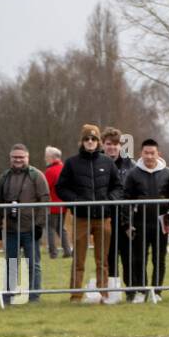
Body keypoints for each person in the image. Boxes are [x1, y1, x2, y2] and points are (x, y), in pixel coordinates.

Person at [56, 124, 123, 298]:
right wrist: (75, 201)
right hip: (81, 218)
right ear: (82, 141)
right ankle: (76, 295)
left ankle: (104, 293)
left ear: (99, 142)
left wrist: (110, 201)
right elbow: (61, 188)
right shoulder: (71, 163)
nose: (90, 142)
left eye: (94, 139)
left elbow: (118, 186)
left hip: (103, 218)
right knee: (78, 259)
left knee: (103, 260)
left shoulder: (107, 162)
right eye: (87, 139)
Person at [0, 144, 50, 303]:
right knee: (11, 264)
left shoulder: (36, 176)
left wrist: (39, 224)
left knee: (33, 264)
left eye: (21, 157)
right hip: (11, 230)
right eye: (15, 157)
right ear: (10, 158)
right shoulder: (4, 177)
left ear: (27, 158)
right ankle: (8, 296)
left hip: (31, 229)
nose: (18, 160)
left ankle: (34, 297)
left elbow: (45, 200)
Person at [122, 138, 169, 302]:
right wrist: (127, 223)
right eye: (146, 153)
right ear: (141, 153)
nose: (149, 156)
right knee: (139, 258)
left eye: (152, 153)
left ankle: (157, 292)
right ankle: (141, 291)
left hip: (161, 224)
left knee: (159, 259)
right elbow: (125, 201)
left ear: (158, 154)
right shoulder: (133, 173)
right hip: (140, 224)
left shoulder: (167, 173)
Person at [101, 127, 135, 296]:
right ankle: (113, 291)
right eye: (109, 144)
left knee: (128, 256)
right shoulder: (97, 163)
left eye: (115, 144)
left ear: (120, 146)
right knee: (109, 256)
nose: (112, 147)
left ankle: (130, 291)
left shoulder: (130, 165)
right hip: (105, 217)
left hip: (126, 217)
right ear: (103, 145)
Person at [43, 147, 71, 259]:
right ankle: (67, 250)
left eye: (46, 156)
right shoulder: (64, 168)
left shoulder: (50, 171)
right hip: (63, 205)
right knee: (61, 228)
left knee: (50, 229)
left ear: (52, 157)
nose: (45, 158)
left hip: (52, 205)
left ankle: (53, 253)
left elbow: (45, 189)